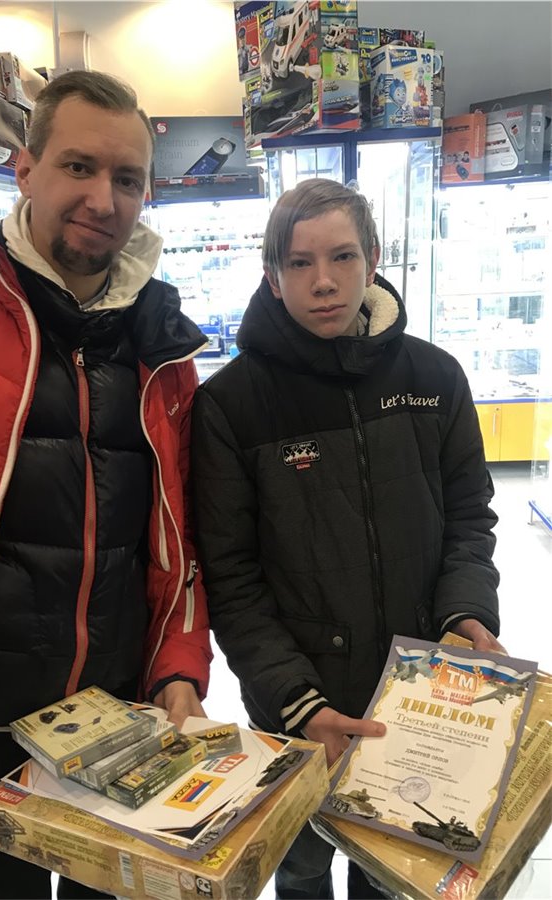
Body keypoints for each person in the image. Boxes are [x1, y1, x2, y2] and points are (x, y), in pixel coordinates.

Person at [0, 70, 211, 899]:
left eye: (126, 178)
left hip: (119, 729)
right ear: (25, 169)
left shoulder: (161, 350)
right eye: (78, 167)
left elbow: (178, 543)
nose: (103, 198)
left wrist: (177, 669)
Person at [191, 179, 502, 899]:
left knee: (391, 869)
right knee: (301, 866)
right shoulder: (231, 405)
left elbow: (469, 515)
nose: (323, 281)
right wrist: (296, 700)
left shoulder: (434, 376)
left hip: (418, 691)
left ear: (373, 258)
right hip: (300, 704)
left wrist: (465, 612)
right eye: (299, 263)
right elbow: (230, 576)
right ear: (272, 276)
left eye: (341, 256)